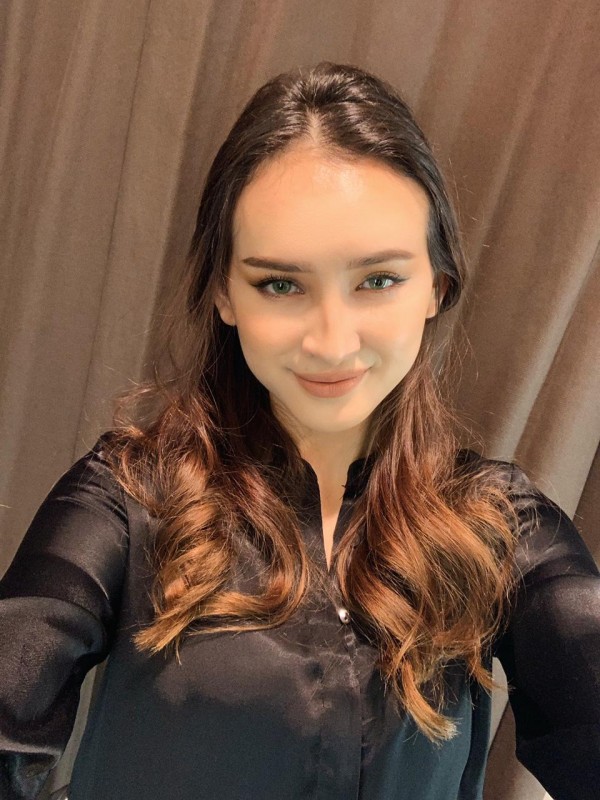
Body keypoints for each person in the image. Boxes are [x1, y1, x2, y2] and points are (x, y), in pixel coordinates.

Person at [0, 61, 598, 800]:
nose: (332, 342)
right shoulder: (126, 500)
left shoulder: (499, 524)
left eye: (377, 280)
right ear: (224, 292)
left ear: (436, 286)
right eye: (280, 284)